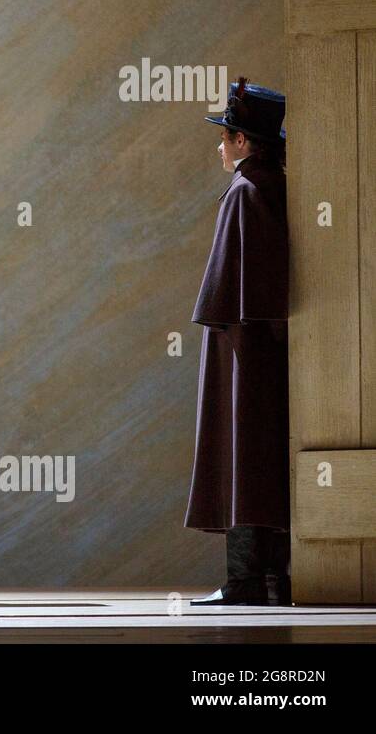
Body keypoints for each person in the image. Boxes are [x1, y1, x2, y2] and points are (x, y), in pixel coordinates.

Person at [186, 78, 290, 606]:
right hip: (258, 346)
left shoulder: (246, 191)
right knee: (258, 456)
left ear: (243, 141)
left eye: (226, 136)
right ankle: (268, 577)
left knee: (241, 453)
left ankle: (247, 581)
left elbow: (239, 291)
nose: (220, 146)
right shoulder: (273, 185)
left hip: (243, 350)